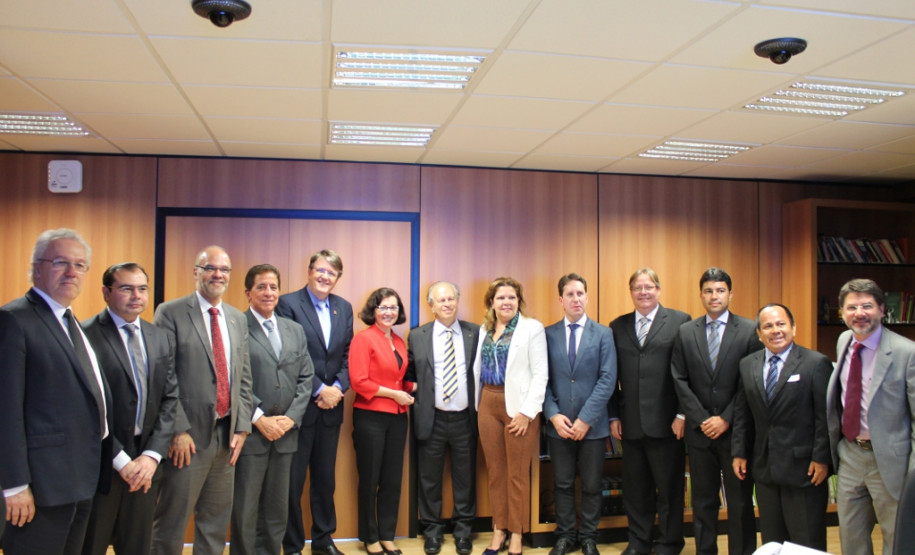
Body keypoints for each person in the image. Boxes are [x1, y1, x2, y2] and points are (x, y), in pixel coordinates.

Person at [0, 228, 110, 555]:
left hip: (79, 479)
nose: (72, 272)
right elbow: (5, 410)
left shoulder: (69, 320)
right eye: (61, 262)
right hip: (41, 486)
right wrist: (15, 486)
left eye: (79, 265)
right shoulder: (14, 320)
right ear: (37, 268)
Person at [150, 245, 254, 555]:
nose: (218, 274)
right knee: (171, 521)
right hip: (188, 439)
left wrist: (242, 427)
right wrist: (177, 430)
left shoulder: (237, 319)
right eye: (210, 268)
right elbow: (163, 375)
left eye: (224, 269)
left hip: (226, 438)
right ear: (196, 272)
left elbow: (244, 379)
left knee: (215, 523)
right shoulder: (170, 312)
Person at [81, 263, 182, 555]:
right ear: (106, 292)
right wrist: (121, 461)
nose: (136, 296)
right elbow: (86, 409)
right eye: (126, 288)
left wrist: (151, 456)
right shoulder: (85, 334)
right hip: (103, 459)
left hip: (146, 460)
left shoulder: (159, 336)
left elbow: (170, 398)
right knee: (92, 543)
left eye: (142, 289)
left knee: (137, 545)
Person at [671, 267, 762, 555]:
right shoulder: (686, 332)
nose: (714, 296)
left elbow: (750, 383)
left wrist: (725, 418)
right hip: (699, 435)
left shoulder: (749, 330)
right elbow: (679, 378)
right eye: (709, 291)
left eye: (720, 290)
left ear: (730, 294)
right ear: (701, 295)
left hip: (735, 433)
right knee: (703, 502)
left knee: (739, 502)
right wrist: (700, 419)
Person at [731, 303, 831, 551]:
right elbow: (743, 413)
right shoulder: (748, 365)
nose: (775, 330)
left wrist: (821, 458)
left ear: (793, 328)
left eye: (781, 324)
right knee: (772, 541)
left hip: (805, 469)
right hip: (765, 468)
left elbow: (825, 417)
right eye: (768, 326)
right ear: (759, 333)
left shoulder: (815, 363)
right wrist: (740, 452)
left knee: (806, 541)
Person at [827, 278, 915, 555]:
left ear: (881, 309)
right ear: (842, 312)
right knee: (851, 537)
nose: (859, 313)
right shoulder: (844, 341)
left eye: (867, 306)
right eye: (851, 307)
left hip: (890, 461)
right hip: (851, 455)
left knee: (896, 537)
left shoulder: (906, 353)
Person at [230, 264, 314, 555]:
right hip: (251, 434)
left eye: (273, 287)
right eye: (261, 287)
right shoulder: (235, 326)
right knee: (246, 509)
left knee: (277, 509)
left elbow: (306, 378)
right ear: (248, 293)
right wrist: (259, 418)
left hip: (285, 436)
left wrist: (290, 419)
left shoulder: (294, 330)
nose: (268, 293)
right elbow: (233, 379)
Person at [608, 268, 690, 555]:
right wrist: (613, 415)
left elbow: (687, 374)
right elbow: (610, 375)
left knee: (669, 489)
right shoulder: (617, 326)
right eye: (637, 287)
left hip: (668, 423)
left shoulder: (680, 322)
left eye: (649, 286)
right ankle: (639, 541)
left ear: (658, 290)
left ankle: (669, 542)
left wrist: (682, 414)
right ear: (630, 292)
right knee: (636, 490)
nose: (643, 292)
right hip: (630, 423)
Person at [278, 250, 354, 555]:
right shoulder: (288, 304)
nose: (325, 277)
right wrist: (318, 388)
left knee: (325, 481)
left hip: (332, 407)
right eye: (320, 270)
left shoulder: (343, 307)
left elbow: (349, 353)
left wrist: (336, 387)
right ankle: (293, 545)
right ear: (309, 271)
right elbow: (289, 352)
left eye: (332, 273)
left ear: (337, 278)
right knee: (293, 483)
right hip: (299, 407)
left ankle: (323, 540)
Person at [472, 277, 548, 555]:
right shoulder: (484, 330)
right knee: (496, 473)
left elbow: (541, 374)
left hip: (518, 408)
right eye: (501, 298)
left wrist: (527, 413)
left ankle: (516, 533)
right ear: (491, 302)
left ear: (519, 301)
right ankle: (498, 529)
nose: (506, 302)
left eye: (512, 297)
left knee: (516, 474)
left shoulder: (532, 329)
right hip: (488, 403)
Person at [543, 274, 617, 555]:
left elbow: (608, 379)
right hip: (558, 426)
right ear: (561, 300)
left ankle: (588, 537)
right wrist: (553, 414)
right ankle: (563, 536)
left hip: (593, 426)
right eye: (570, 294)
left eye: (580, 293)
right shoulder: (547, 334)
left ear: (587, 297)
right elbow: (542, 380)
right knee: (561, 483)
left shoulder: (603, 334)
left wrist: (586, 418)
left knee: (591, 485)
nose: (576, 299)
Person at [406, 282, 480, 555]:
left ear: (458, 301)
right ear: (431, 305)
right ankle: (432, 531)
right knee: (430, 479)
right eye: (441, 300)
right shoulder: (417, 336)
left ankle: (463, 532)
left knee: (465, 479)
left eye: (451, 299)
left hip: (465, 419)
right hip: (431, 418)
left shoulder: (475, 333)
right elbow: (410, 374)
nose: (447, 304)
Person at [349, 288, 415, 555]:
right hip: (371, 417)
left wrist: (411, 387)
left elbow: (399, 378)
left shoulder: (399, 341)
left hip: (398, 419)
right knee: (370, 478)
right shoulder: (363, 339)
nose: (389, 312)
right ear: (373, 311)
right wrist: (396, 394)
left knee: (391, 479)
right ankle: (370, 537)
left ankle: (387, 534)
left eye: (393, 307)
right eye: (383, 307)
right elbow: (359, 381)